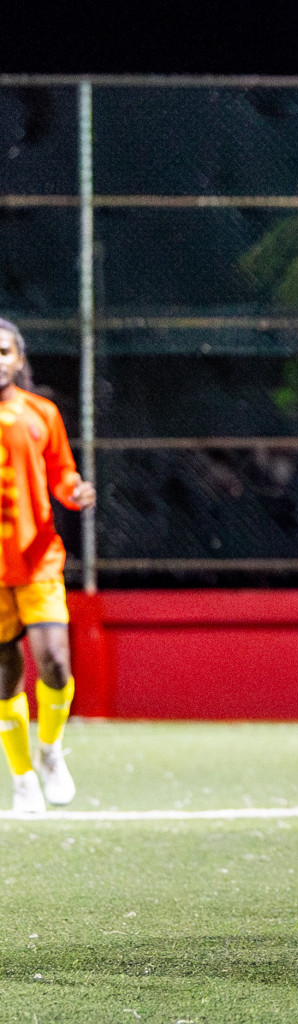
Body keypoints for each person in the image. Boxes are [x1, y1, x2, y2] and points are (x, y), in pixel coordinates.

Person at [0, 319, 95, 813]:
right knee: (4, 676)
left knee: (55, 660)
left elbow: (62, 475)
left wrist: (75, 492)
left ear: (19, 359)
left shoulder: (42, 413)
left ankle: (51, 750)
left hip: (39, 560)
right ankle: (21, 778)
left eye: (3, 351)